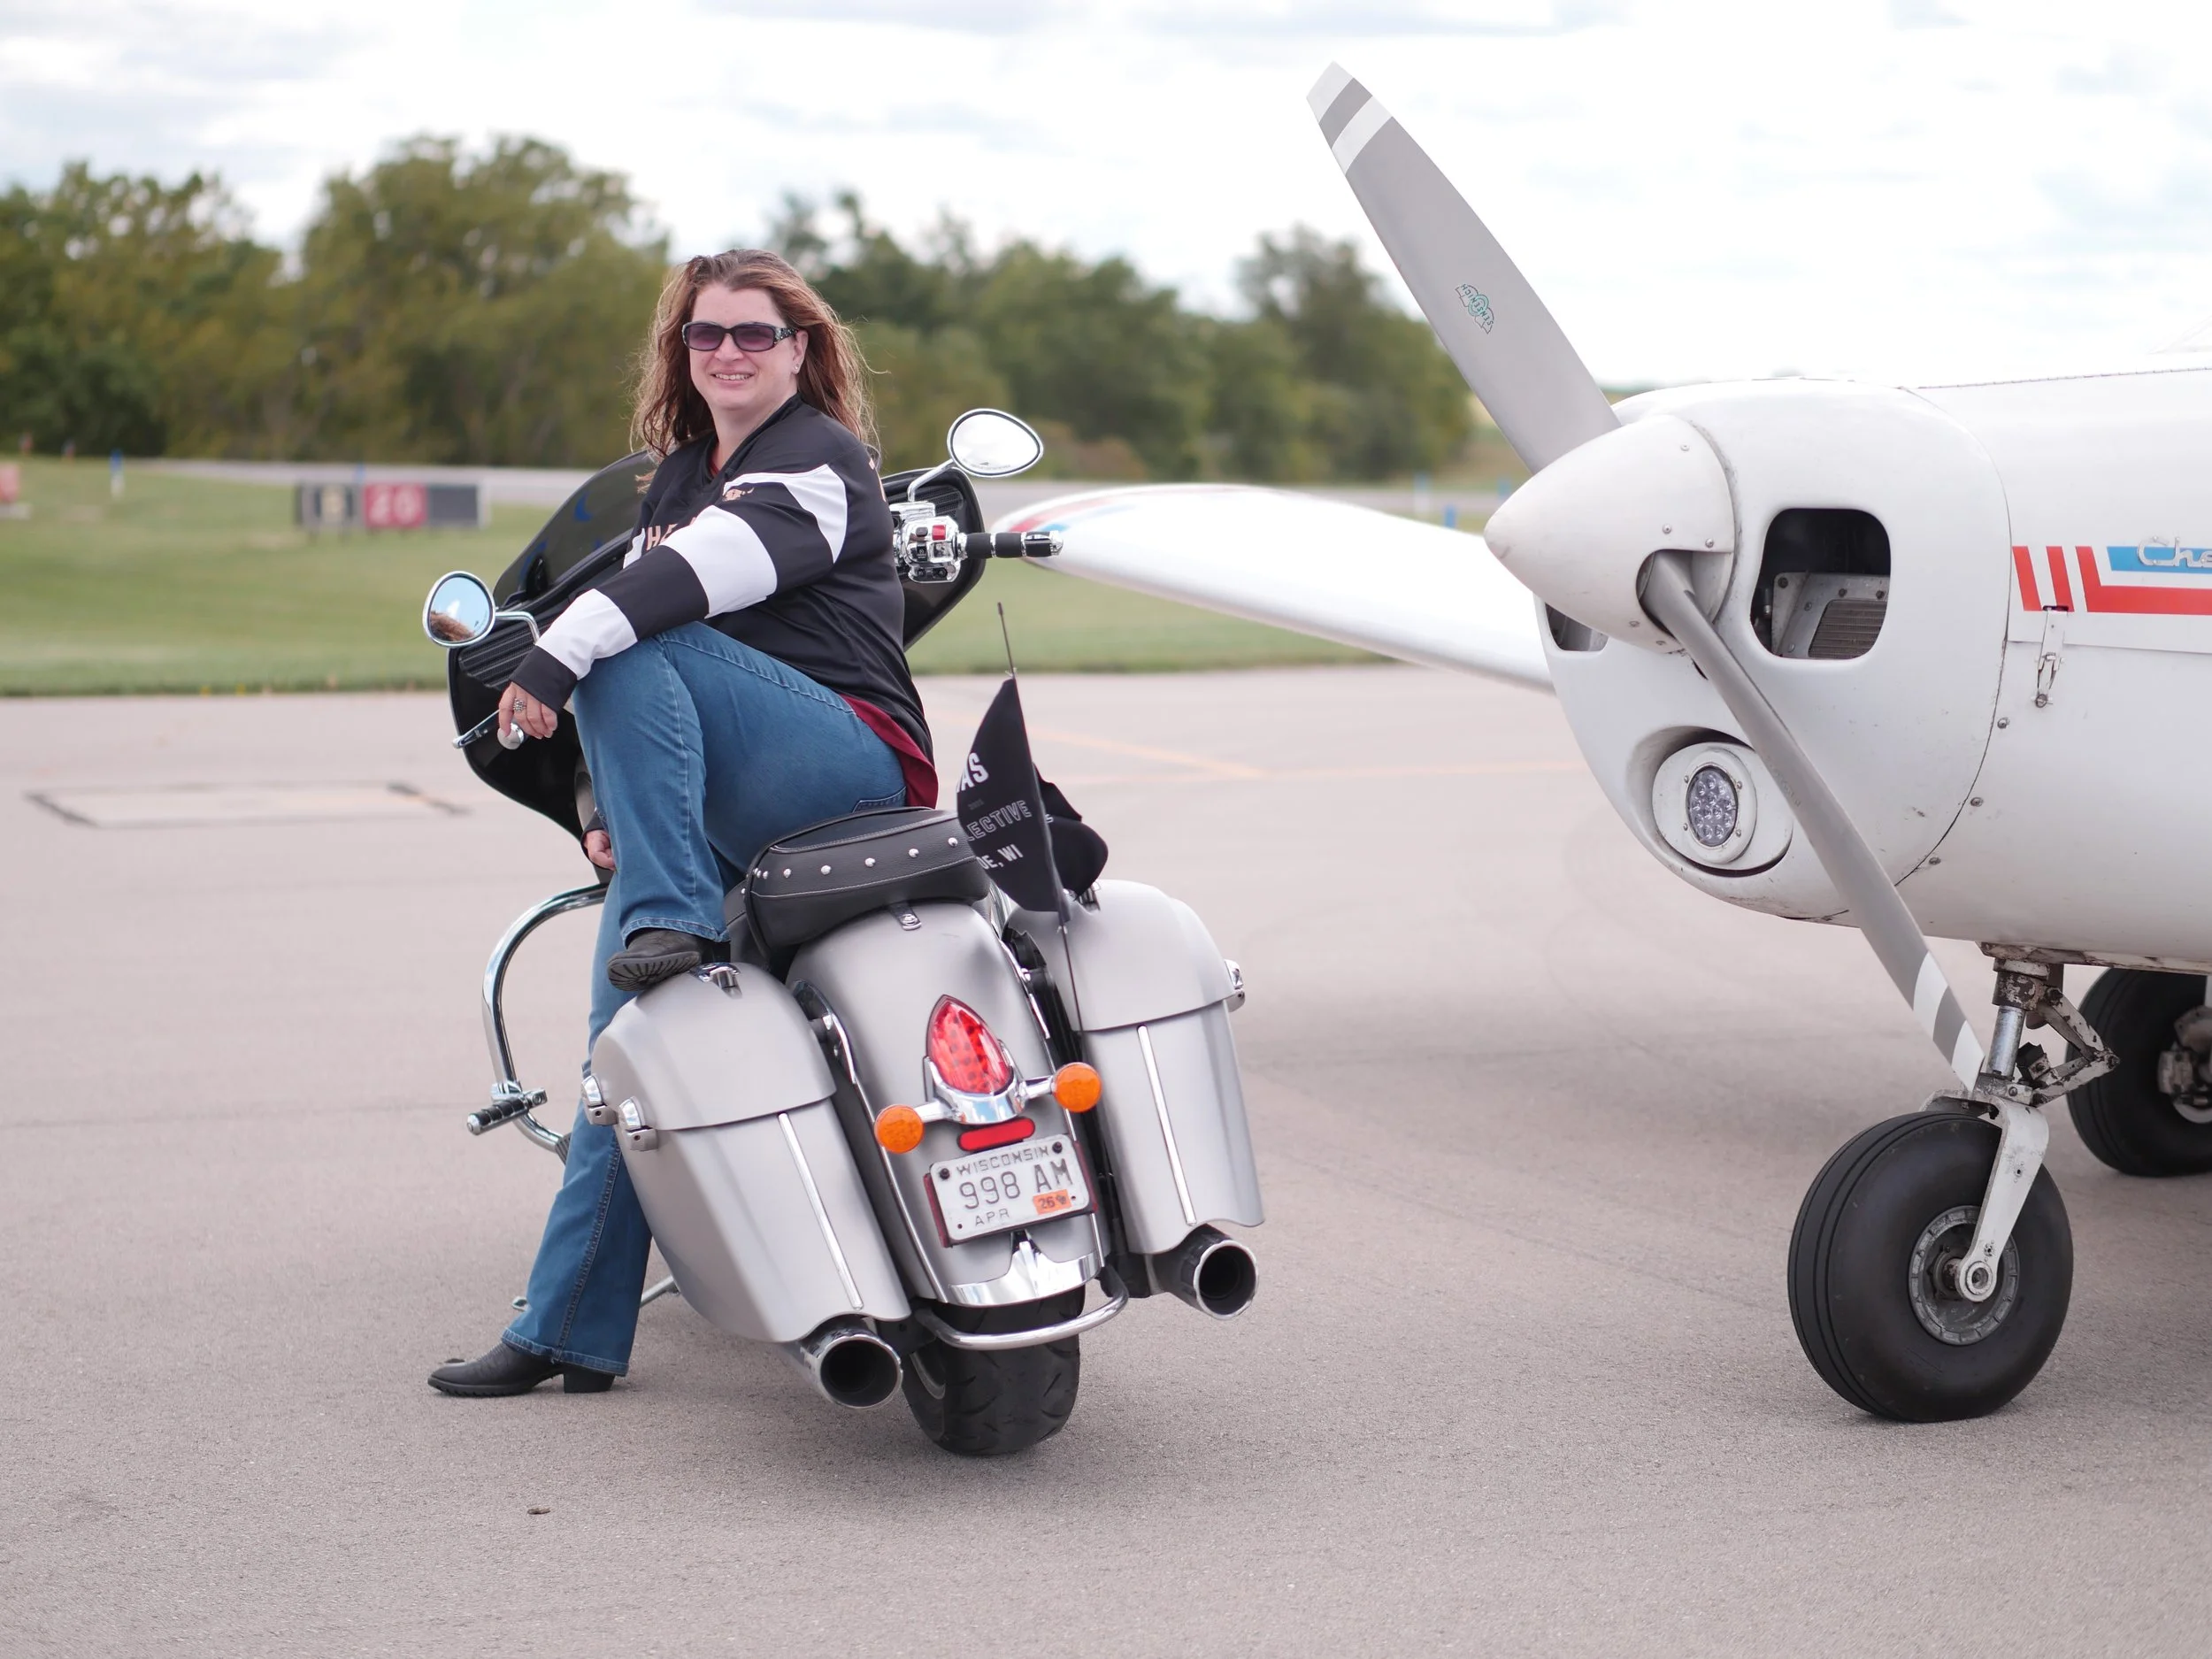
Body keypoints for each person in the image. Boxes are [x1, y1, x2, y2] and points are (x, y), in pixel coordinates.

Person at [429, 250, 938, 1397]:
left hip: (853, 767)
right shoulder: (675, 484)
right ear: (684, 352)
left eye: (755, 334)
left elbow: (693, 586)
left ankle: (668, 920)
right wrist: (604, 810)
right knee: (624, 1060)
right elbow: (651, 680)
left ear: (800, 351)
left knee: (625, 629)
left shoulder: (819, 458)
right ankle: (565, 1327)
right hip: (725, 811)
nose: (729, 353)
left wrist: (561, 646)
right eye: (706, 335)